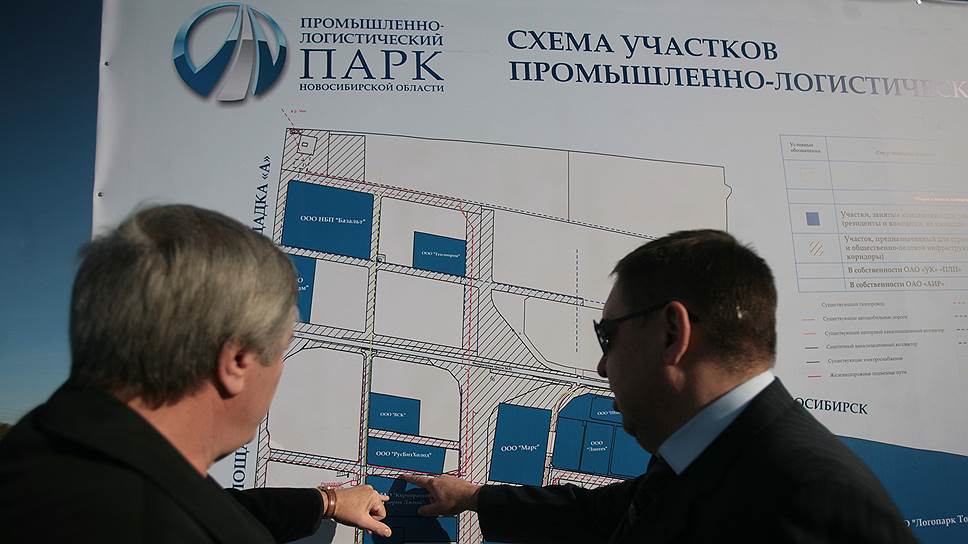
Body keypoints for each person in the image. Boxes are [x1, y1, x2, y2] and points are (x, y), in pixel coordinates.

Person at [403, 230, 916, 543]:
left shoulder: (807, 503)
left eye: (608, 337)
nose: (601, 367)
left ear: (672, 334)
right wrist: (475, 498)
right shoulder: (717, 456)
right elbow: (607, 515)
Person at [0, 204, 393, 542]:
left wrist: (326, 501)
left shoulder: (44, 453)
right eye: (281, 351)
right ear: (237, 362)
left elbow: (208, 506)